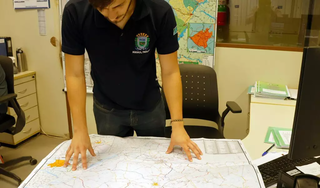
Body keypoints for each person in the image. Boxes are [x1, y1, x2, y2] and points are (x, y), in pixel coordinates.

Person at [62, 0, 203, 171]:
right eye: (102, 10)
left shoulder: (159, 11)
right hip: (107, 108)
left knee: (157, 167)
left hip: (149, 106)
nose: (112, 17)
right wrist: (79, 130)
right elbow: (74, 75)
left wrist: (178, 125)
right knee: (112, 169)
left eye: (118, 6)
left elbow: (170, 72)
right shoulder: (75, 11)